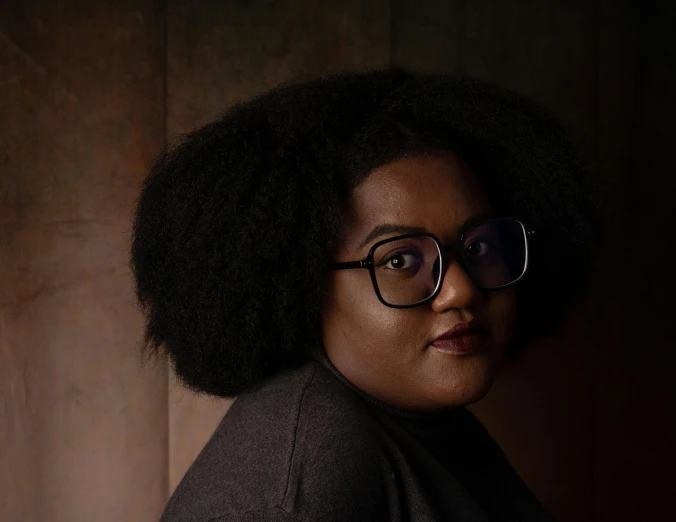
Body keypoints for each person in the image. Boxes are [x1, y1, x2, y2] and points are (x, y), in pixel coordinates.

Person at [130, 66, 604, 522]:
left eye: (479, 246)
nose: (461, 287)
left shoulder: (417, 416)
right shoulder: (306, 477)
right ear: (304, 284)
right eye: (400, 260)